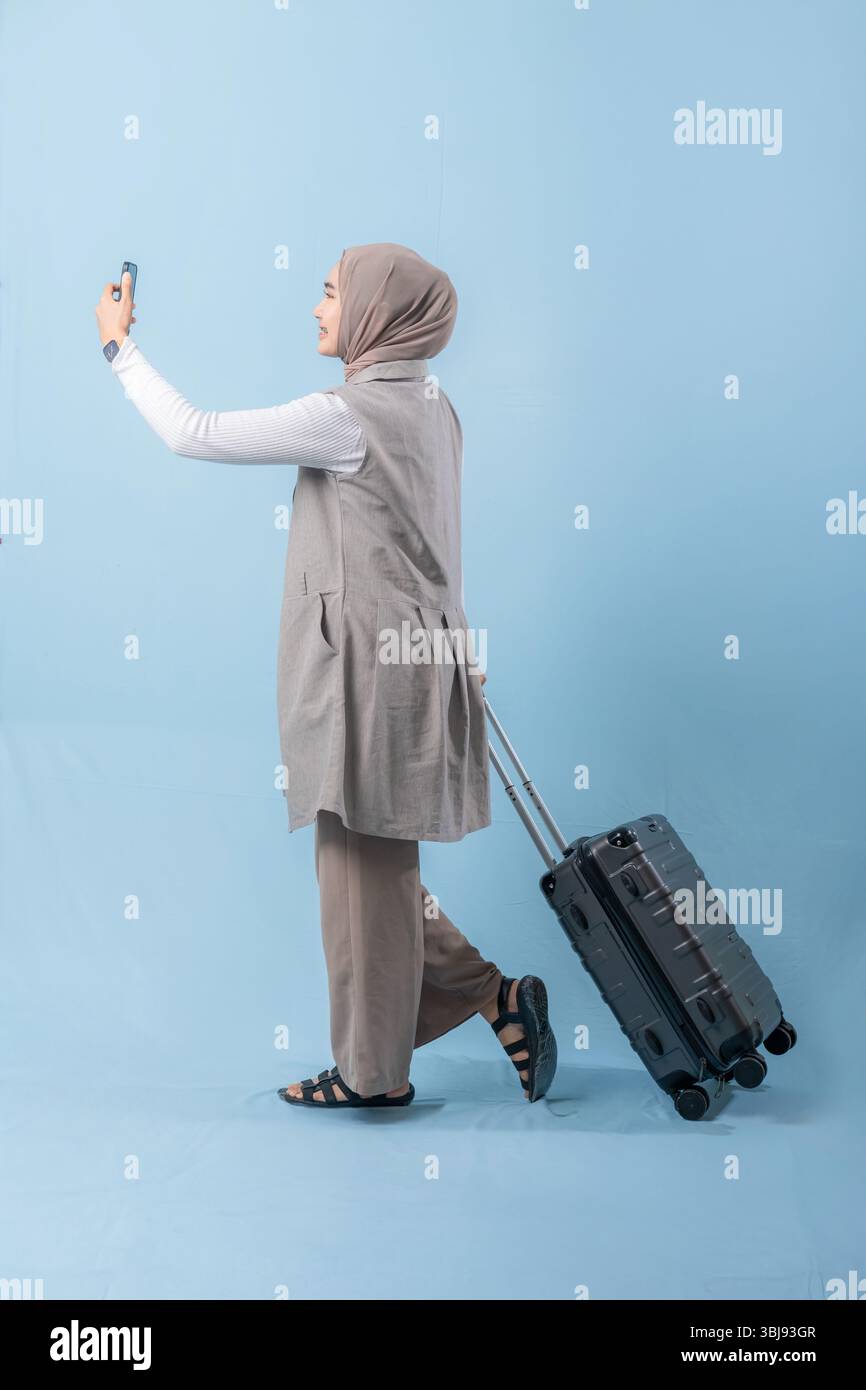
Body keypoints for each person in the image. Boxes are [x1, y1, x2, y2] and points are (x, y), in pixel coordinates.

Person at [95, 242, 557, 1108]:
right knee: (367, 871)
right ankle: (491, 998)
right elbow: (438, 544)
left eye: (331, 291)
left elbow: (192, 433)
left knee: (359, 871)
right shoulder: (436, 405)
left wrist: (121, 347)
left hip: (364, 678)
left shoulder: (346, 416)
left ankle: (374, 1077)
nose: (316, 308)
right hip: (421, 659)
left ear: (377, 310)